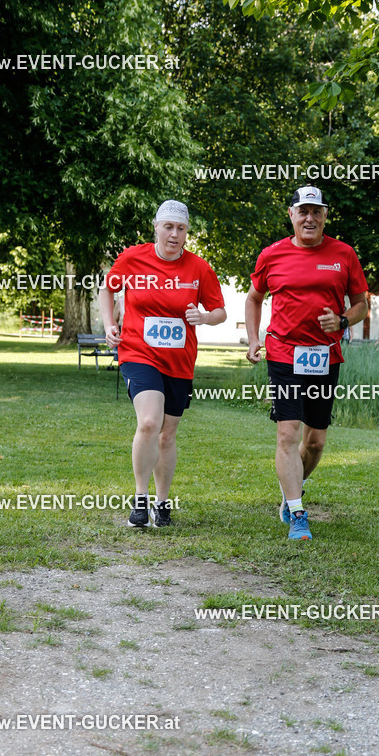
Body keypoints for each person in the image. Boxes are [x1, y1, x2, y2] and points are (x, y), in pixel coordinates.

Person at [245, 186, 368, 541]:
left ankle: (291, 490)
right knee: (288, 434)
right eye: (303, 211)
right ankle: (298, 514)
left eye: (316, 211)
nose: (310, 218)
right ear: (292, 215)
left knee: (315, 443)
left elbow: (361, 304)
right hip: (284, 353)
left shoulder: (344, 254)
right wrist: (253, 339)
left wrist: (342, 320)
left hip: (324, 356)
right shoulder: (272, 255)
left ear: (325, 216)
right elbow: (254, 298)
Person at [99, 200, 226, 528]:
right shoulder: (133, 258)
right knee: (149, 422)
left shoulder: (199, 269)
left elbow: (220, 311)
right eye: (168, 227)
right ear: (156, 227)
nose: (174, 234)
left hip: (179, 360)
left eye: (180, 228)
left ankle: (162, 502)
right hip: (138, 353)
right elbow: (107, 290)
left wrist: (204, 317)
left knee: (167, 435)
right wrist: (109, 324)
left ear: (186, 232)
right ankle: (140, 500)